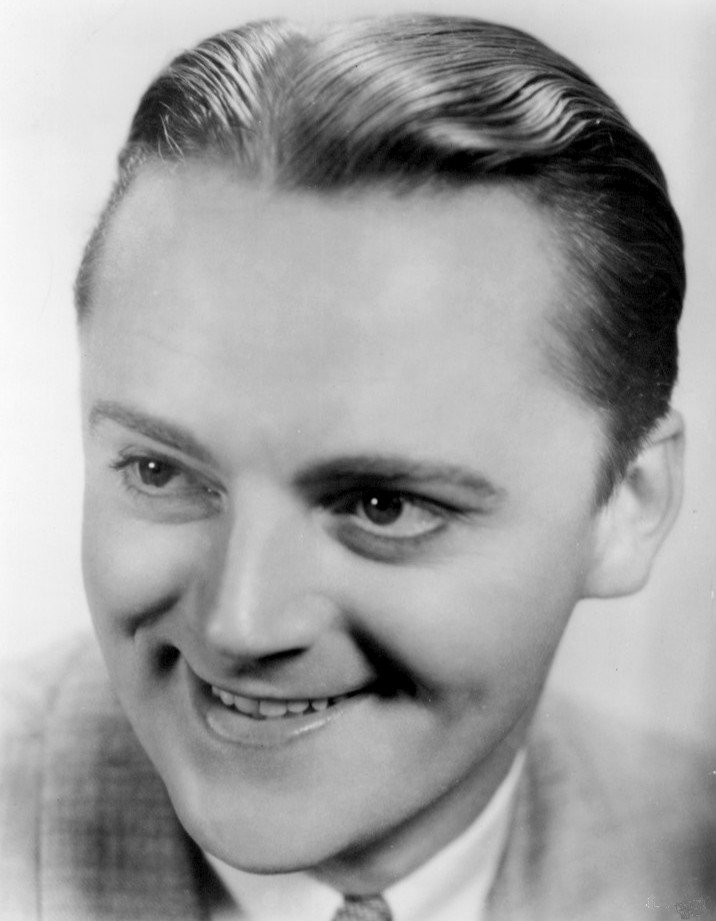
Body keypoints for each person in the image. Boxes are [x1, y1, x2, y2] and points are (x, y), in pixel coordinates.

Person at [1, 13, 713, 921]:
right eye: (159, 471)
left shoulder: (689, 844)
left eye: (382, 504)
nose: (239, 623)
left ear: (629, 504)